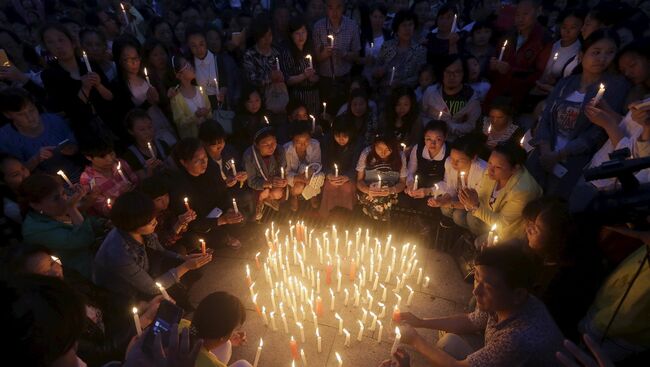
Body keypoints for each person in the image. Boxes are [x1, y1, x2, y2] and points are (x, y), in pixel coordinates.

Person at [398, 245, 565, 366]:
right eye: (477, 277)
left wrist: (415, 341)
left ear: (518, 294)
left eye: (488, 287)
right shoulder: (504, 302)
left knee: (446, 346)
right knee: (449, 342)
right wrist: (420, 322)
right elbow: (472, 321)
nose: (475, 291)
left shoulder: (516, 338)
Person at [4, 242, 164, 366]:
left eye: (53, 262)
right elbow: (100, 354)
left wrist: (140, 305)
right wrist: (140, 322)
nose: (56, 271)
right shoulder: (52, 320)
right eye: (45, 273)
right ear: (31, 286)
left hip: (119, 330)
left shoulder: (69, 277)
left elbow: (103, 296)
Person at [527, 29, 630, 199]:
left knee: (554, 204)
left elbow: (597, 132)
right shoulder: (566, 83)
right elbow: (546, 117)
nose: (602, 59)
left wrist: (559, 155)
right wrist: (545, 150)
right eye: (596, 52)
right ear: (582, 55)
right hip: (545, 152)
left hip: (574, 160)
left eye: (610, 53)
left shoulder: (615, 87)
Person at [94, 190, 211, 301]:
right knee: (177, 286)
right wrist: (186, 266)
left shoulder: (143, 231)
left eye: (153, 217)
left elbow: (161, 251)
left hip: (148, 268)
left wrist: (183, 259)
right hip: (126, 293)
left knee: (185, 264)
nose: (155, 222)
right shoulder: (120, 254)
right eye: (148, 222)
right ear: (133, 224)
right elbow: (151, 288)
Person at [523, 198, 605, 341]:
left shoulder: (563, 282)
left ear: (555, 239)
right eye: (531, 224)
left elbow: (532, 316)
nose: (528, 229)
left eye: (536, 229)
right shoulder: (542, 255)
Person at [20, 173, 107, 280]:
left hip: (100, 257)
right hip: (84, 275)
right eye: (56, 198)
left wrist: (105, 223)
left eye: (64, 193)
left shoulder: (55, 211)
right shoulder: (36, 230)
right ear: (35, 205)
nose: (65, 199)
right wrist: (72, 208)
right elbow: (84, 239)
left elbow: (90, 223)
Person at [39, 23, 115, 142]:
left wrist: (99, 85)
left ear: (72, 42)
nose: (58, 46)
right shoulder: (50, 75)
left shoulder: (89, 64)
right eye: (50, 42)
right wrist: (84, 88)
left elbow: (110, 97)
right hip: (85, 133)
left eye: (61, 40)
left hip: (110, 122)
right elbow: (70, 111)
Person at [166, 138, 245, 249]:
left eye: (205, 158)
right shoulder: (180, 186)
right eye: (197, 160)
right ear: (184, 162)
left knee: (240, 222)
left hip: (218, 212)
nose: (204, 163)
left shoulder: (212, 168)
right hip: (201, 225)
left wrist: (229, 209)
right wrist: (221, 220)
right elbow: (193, 223)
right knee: (213, 239)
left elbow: (223, 193)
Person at [460, 142, 542, 242]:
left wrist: (475, 205)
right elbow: (481, 198)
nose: (490, 170)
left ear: (515, 168)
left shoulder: (522, 191)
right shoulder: (491, 173)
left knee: (476, 233)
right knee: (464, 216)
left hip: (510, 230)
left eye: (498, 167)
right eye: (489, 163)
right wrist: (468, 199)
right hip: (491, 217)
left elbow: (502, 223)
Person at [483, 0, 552, 113]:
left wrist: (509, 70)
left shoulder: (544, 40)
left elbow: (540, 74)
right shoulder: (508, 36)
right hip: (497, 94)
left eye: (525, 14)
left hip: (522, 100)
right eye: (517, 14)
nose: (520, 19)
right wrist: (493, 65)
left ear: (538, 12)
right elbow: (494, 65)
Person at [0, 87, 81, 180]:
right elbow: (15, 176)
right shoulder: (6, 137)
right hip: (44, 185)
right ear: (7, 115)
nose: (30, 117)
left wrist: (72, 149)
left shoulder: (54, 120)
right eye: (21, 114)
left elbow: (75, 145)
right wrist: (36, 159)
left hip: (77, 173)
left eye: (31, 110)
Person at [111, 36, 177, 146]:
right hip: (145, 133)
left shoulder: (146, 74)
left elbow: (161, 102)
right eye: (127, 59)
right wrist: (147, 103)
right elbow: (128, 116)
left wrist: (166, 97)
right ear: (119, 60)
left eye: (136, 58)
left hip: (162, 122)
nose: (133, 63)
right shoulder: (118, 86)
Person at [428, 134, 487, 230]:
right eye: (452, 158)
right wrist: (442, 200)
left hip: (479, 206)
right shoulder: (449, 163)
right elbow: (450, 187)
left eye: (459, 160)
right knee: (445, 209)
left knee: (460, 216)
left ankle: (472, 235)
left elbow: (478, 201)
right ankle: (459, 229)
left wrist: (448, 203)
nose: (453, 163)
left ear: (473, 158)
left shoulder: (482, 171)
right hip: (462, 203)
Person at [198, 120, 254, 222]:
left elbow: (239, 166)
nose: (219, 146)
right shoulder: (203, 162)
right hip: (219, 200)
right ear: (203, 143)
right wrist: (225, 184)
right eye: (213, 144)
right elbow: (206, 190)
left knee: (249, 197)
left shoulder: (229, 151)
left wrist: (243, 174)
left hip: (236, 191)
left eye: (221, 142)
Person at [312, 0, 361, 113]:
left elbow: (356, 55)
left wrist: (343, 54)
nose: (334, 12)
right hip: (325, 79)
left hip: (345, 78)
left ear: (343, 7)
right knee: (326, 112)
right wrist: (325, 54)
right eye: (330, 8)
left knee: (343, 111)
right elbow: (316, 58)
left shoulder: (352, 26)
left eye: (338, 7)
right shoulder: (319, 27)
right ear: (326, 8)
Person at [181, 291, 252, 367]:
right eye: (233, 330)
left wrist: (227, 337)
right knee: (244, 365)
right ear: (222, 337)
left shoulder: (183, 323)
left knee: (227, 345)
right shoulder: (213, 365)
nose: (235, 333)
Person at [422, 55, 482, 141]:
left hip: (458, 143)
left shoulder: (472, 97)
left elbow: (472, 125)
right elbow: (420, 115)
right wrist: (434, 125)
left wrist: (452, 127)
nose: (452, 77)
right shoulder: (431, 92)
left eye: (457, 72)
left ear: (463, 73)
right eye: (447, 72)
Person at [79, 137, 138, 217]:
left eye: (111, 154)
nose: (110, 159)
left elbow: (137, 182)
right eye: (102, 157)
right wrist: (121, 195)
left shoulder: (120, 163)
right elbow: (104, 210)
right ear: (89, 157)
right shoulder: (88, 178)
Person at [140, 174, 197, 254]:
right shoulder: (148, 218)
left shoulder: (166, 209)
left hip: (173, 238)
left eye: (166, 196)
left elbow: (180, 231)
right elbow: (163, 243)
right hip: (159, 249)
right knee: (179, 250)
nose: (165, 202)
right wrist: (179, 223)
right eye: (158, 200)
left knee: (193, 240)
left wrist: (184, 222)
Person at [402, 120, 449, 214]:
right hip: (419, 185)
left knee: (428, 206)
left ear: (445, 137)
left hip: (437, 191)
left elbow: (449, 184)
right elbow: (411, 170)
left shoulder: (449, 153)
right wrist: (410, 183)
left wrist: (429, 191)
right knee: (403, 201)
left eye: (438, 139)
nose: (432, 143)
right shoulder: (418, 148)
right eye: (428, 139)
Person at [356, 134, 407, 221]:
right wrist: (368, 190)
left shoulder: (400, 155)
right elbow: (359, 181)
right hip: (368, 189)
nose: (383, 153)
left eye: (387, 150)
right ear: (374, 145)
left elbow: (402, 183)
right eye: (379, 149)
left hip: (392, 191)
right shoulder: (367, 153)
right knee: (378, 199)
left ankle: (374, 226)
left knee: (382, 199)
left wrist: (390, 190)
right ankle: (381, 227)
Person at [373, 9, 426, 90]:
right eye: (404, 25)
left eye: (410, 24)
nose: (407, 29)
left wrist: (401, 83)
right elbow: (377, 67)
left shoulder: (420, 51)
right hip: (383, 90)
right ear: (397, 28)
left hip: (406, 93)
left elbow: (418, 76)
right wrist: (378, 72)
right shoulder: (387, 46)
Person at [242, 17, 286, 114]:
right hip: (258, 104)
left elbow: (286, 73)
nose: (267, 40)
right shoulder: (250, 55)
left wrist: (282, 76)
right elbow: (251, 79)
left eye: (269, 35)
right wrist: (270, 77)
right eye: (263, 36)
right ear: (257, 37)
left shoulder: (276, 52)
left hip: (278, 98)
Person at [243, 127, 288, 220]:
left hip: (272, 182)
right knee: (258, 198)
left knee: (278, 193)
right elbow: (252, 182)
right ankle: (262, 199)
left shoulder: (279, 150)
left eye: (273, 143)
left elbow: (282, 171)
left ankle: (268, 197)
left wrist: (282, 181)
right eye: (266, 144)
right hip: (258, 185)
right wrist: (268, 184)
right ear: (257, 145)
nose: (271, 147)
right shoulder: (249, 157)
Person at [320, 118, 360, 218]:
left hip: (350, 175)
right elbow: (323, 161)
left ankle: (347, 216)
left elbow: (357, 164)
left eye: (345, 136)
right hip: (331, 175)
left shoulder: (358, 143)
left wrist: (347, 176)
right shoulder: (327, 140)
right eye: (337, 136)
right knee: (329, 185)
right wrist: (329, 174)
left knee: (347, 187)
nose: (341, 139)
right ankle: (328, 217)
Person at [280, 17, 320, 115]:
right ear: (291, 35)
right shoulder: (287, 52)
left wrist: (315, 78)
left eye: (303, 32)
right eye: (297, 33)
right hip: (298, 96)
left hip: (314, 95)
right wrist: (304, 76)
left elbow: (318, 71)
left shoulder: (310, 48)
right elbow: (287, 80)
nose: (301, 36)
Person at [283, 123, 324, 211]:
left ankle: (313, 194)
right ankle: (294, 195)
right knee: (299, 185)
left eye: (306, 141)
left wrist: (310, 175)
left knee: (314, 177)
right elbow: (286, 173)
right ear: (293, 140)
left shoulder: (315, 145)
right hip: (294, 176)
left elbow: (317, 164)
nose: (303, 145)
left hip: (310, 173)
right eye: (298, 142)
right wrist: (301, 178)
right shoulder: (286, 150)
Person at [122, 108, 171, 181]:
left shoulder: (162, 144)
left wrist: (164, 166)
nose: (148, 132)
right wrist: (149, 171)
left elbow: (174, 169)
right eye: (142, 129)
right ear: (131, 131)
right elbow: (142, 183)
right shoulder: (131, 155)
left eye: (150, 127)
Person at [170, 55, 212, 138]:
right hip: (192, 141)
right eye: (186, 65)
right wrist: (195, 115)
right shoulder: (176, 98)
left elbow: (209, 110)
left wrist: (206, 113)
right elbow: (180, 123)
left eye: (189, 63)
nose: (190, 66)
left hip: (208, 136)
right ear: (178, 75)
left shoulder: (200, 89)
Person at [186, 26, 229, 107]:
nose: (199, 49)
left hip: (219, 103)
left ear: (206, 42)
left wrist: (223, 91)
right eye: (193, 46)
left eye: (201, 44)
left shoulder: (218, 60)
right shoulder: (189, 65)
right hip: (201, 105)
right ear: (189, 46)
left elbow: (225, 82)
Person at [232, 86, 268, 153]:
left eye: (257, 100)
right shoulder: (238, 119)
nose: (254, 105)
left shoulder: (265, 115)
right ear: (244, 102)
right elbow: (239, 142)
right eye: (250, 101)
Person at [0, 154, 29, 224]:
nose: (25, 175)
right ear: (2, 181)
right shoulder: (11, 208)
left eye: (23, 168)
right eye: (15, 175)